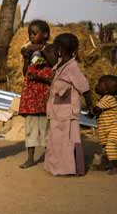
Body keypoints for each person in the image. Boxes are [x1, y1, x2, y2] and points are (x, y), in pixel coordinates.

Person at [44, 34, 96, 176]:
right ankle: (56, 167)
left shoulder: (73, 68)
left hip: (67, 113)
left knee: (67, 142)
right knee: (56, 141)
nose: (53, 50)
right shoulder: (60, 66)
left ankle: (69, 169)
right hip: (56, 111)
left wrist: (90, 107)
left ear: (60, 49)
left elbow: (85, 88)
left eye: (55, 47)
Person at [18, 20, 53, 168]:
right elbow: (25, 72)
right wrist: (26, 57)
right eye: (29, 34)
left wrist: (42, 51)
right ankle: (30, 158)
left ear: (45, 34)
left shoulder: (50, 49)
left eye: (34, 33)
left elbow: (53, 64)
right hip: (31, 94)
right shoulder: (29, 50)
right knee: (30, 126)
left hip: (44, 92)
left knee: (46, 126)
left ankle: (49, 157)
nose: (31, 37)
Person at [93, 75, 117, 175]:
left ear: (107, 89)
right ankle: (106, 164)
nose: (97, 86)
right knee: (106, 148)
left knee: (110, 146)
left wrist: (92, 110)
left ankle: (115, 167)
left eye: (100, 84)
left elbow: (97, 109)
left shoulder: (108, 98)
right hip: (106, 129)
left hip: (113, 128)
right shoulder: (104, 98)